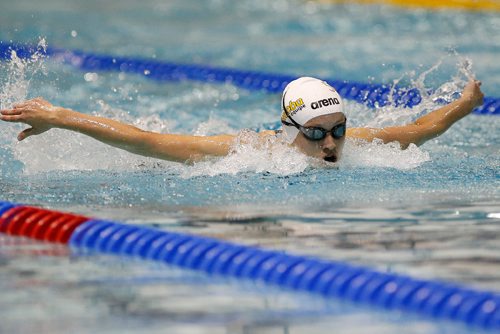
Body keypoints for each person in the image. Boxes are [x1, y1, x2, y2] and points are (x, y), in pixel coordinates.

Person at [0, 77, 484, 164]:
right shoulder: (251, 152)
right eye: (316, 133)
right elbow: (147, 141)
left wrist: (463, 106)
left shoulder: (357, 144)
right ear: (291, 128)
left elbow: (423, 128)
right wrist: (60, 117)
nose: (332, 143)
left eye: (338, 128)